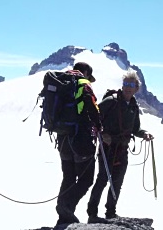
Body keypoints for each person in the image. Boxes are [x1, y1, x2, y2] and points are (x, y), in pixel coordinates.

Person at [86, 69, 154, 224]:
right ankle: (92, 214)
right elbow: (92, 116)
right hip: (107, 147)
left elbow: (135, 129)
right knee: (102, 179)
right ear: (122, 86)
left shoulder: (134, 106)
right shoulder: (111, 101)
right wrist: (102, 134)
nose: (128, 87)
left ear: (137, 88)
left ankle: (110, 213)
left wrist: (144, 134)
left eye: (131, 84)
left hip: (122, 149)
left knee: (117, 182)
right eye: (126, 83)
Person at [55, 62, 103, 226]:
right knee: (86, 179)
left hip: (62, 138)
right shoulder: (83, 84)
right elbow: (92, 108)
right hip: (80, 139)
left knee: (68, 177)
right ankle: (66, 207)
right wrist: (99, 126)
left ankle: (63, 215)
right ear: (86, 73)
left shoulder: (61, 82)